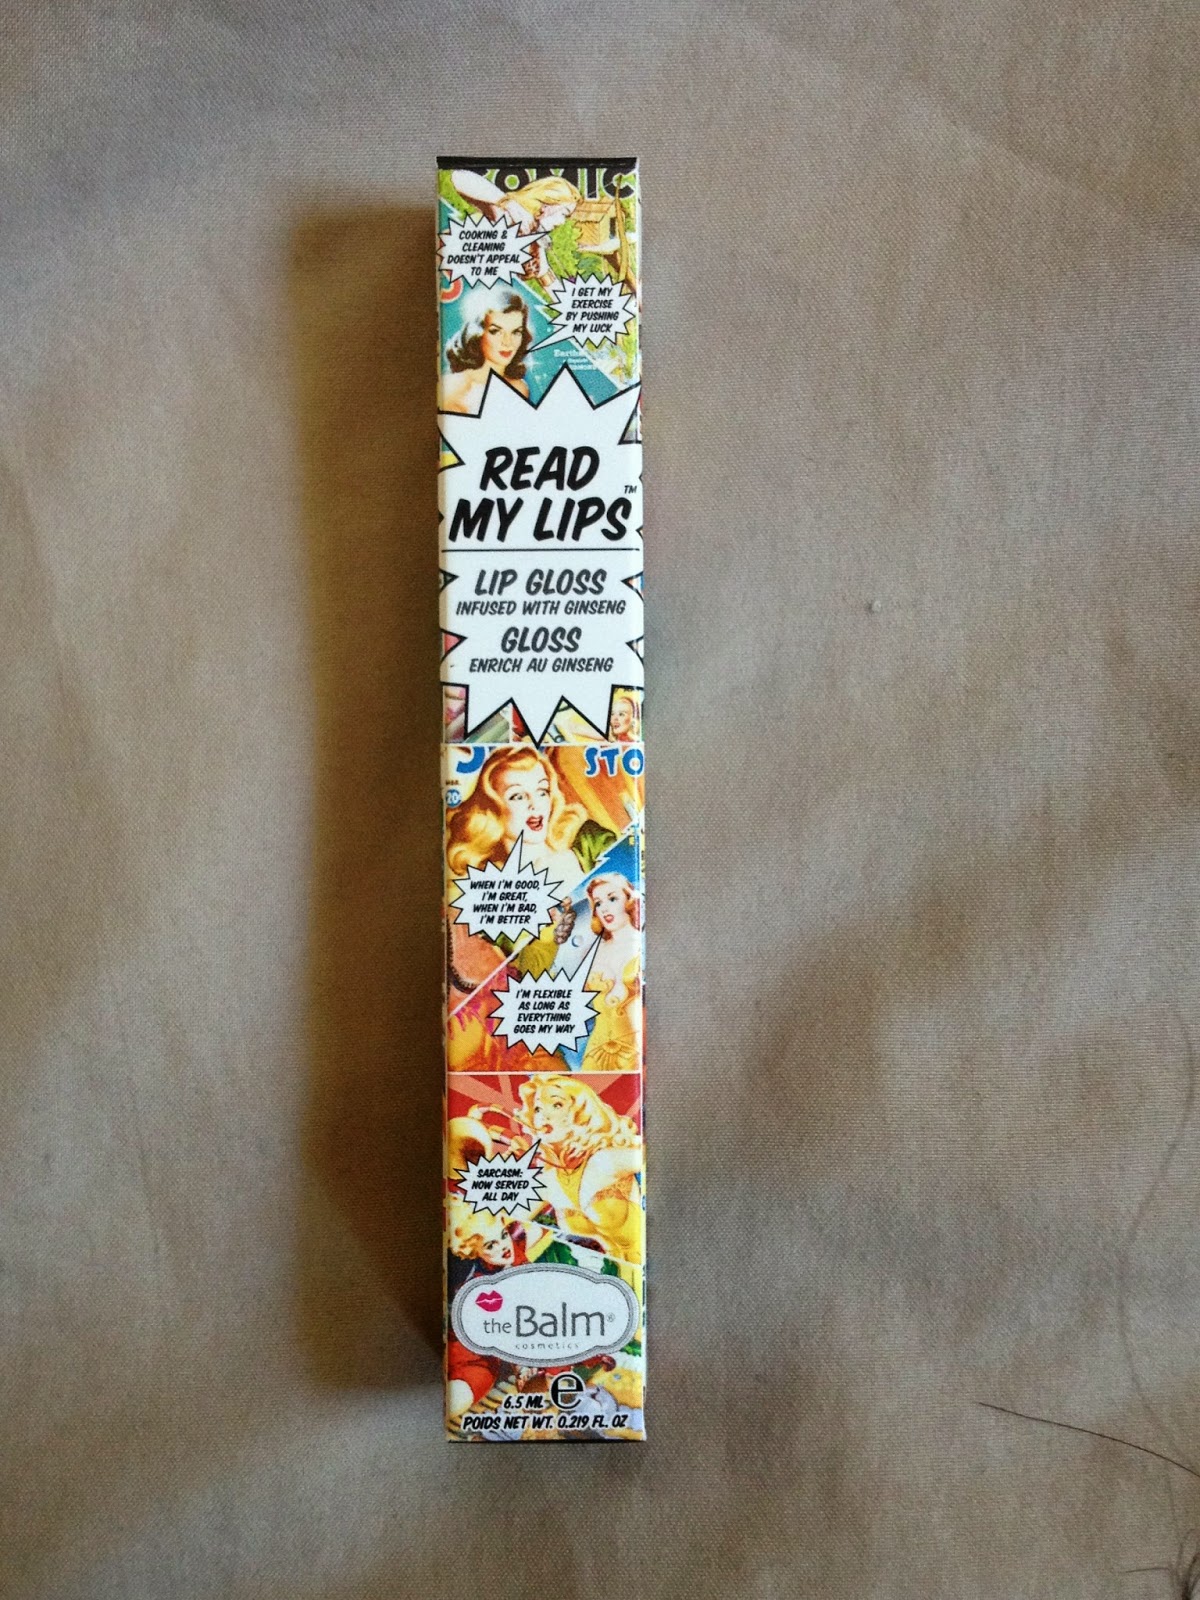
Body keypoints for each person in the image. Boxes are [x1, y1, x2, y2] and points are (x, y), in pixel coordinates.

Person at [447, 747, 616, 980]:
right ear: (493, 809)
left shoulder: (590, 841)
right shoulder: (492, 897)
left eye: (542, 791)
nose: (535, 804)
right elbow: (532, 972)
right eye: (518, 796)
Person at [512, 1075, 643, 1266]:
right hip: (605, 1277)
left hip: (648, 1270)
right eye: (538, 1109)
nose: (543, 1116)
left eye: (556, 1105)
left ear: (582, 1113)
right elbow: (502, 1217)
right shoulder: (550, 1180)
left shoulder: (605, 1160)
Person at [449, 170, 581, 286]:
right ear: (548, 203)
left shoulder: (533, 239)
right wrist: (507, 203)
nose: (562, 222)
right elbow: (458, 177)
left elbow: (548, 280)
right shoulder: (505, 212)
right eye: (564, 213)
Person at [579, 873, 642, 1074]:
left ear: (629, 901)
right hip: (595, 1053)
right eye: (598, 903)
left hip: (635, 1053)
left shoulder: (643, 944)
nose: (604, 908)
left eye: (612, 899)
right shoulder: (593, 951)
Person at [440, 287, 532, 415]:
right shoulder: (451, 387)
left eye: (516, 332)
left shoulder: (519, 388)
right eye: (496, 331)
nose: (507, 342)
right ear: (477, 333)